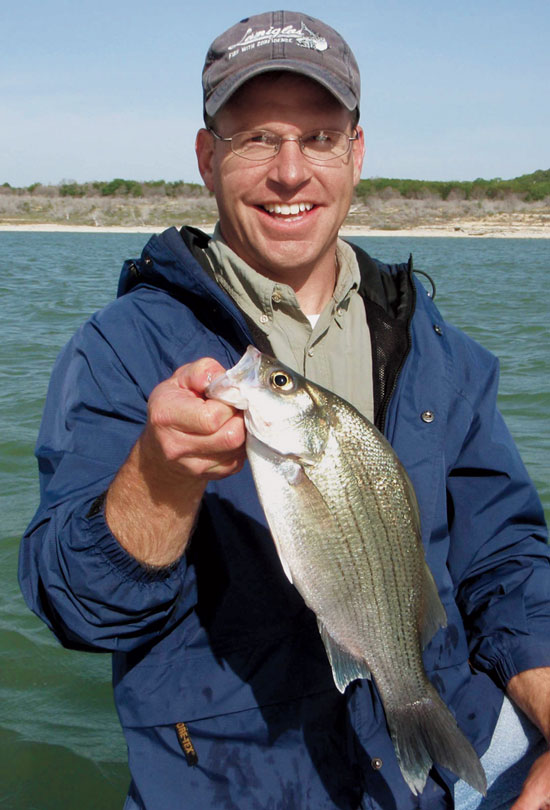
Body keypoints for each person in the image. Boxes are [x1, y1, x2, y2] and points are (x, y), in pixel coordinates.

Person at [18, 10, 550, 810]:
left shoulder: (443, 351)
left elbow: (506, 560)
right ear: (207, 158)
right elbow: (77, 608)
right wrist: (159, 477)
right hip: (236, 782)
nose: (291, 172)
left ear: (357, 153)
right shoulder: (121, 347)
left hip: (460, 760)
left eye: (320, 137)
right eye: (257, 137)